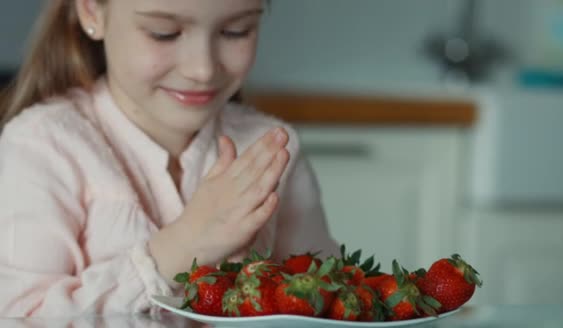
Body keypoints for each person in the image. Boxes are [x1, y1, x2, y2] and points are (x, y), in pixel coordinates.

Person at [0, 0, 339, 317]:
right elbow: (20, 314)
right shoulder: (42, 146)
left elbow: (327, 296)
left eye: (236, 30)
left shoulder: (271, 148)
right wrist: (186, 244)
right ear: (92, 12)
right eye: (164, 33)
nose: (203, 69)